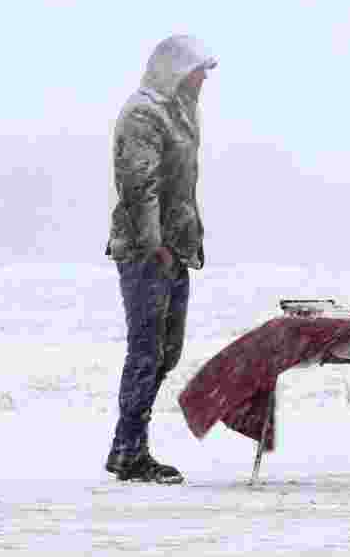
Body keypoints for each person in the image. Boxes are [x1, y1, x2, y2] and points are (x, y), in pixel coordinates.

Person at [104, 35, 217, 483]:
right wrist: (156, 247)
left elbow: (183, 185)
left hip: (174, 250)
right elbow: (138, 186)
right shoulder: (143, 114)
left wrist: (187, 240)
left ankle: (124, 445)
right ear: (175, 69)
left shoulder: (183, 113)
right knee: (147, 351)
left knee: (167, 352)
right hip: (147, 252)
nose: (202, 80)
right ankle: (132, 452)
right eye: (197, 71)